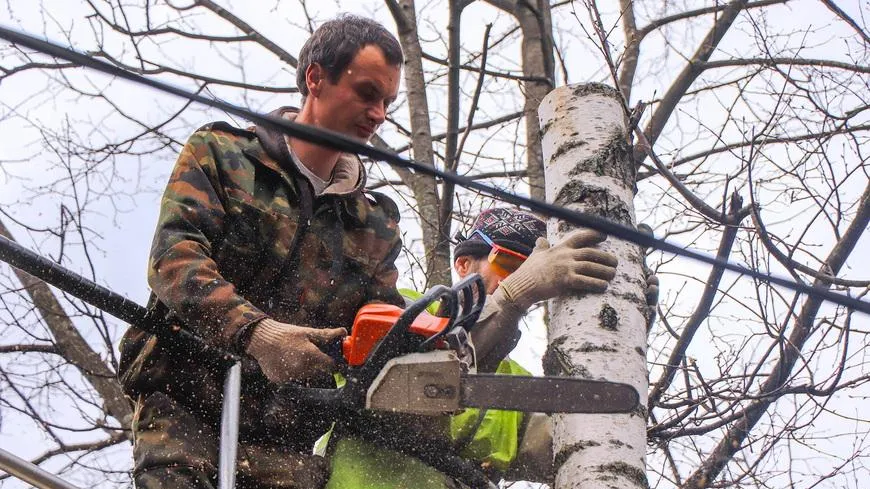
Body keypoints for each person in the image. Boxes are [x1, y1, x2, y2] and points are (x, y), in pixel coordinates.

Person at [117, 15, 406, 489]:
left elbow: (379, 329)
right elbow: (174, 259)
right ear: (316, 78)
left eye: (387, 102)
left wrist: (474, 321)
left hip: (286, 432)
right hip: (184, 400)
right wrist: (257, 334)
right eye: (367, 93)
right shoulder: (224, 154)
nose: (378, 114)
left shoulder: (374, 224)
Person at [324, 207, 645, 487]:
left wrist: (619, 328)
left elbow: (569, 452)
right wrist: (514, 296)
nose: (516, 278)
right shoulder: (401, 310)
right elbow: (409, 384)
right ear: (464, 264)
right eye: (509, 265)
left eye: (529, 271)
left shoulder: (511, 383)